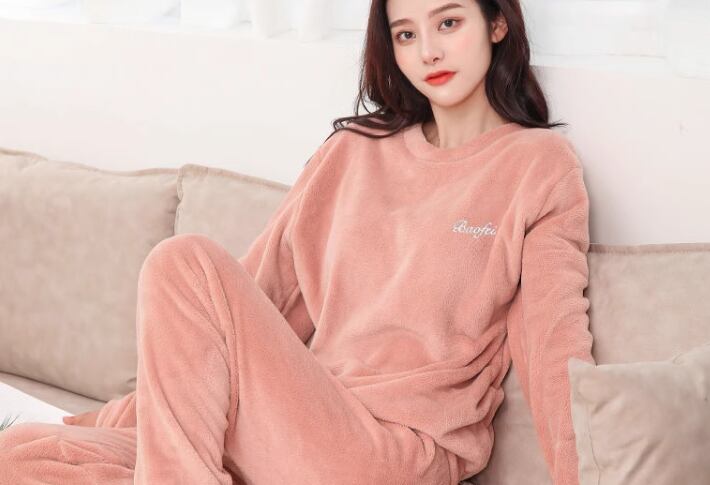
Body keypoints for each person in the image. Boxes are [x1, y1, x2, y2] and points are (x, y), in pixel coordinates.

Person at [0, 1, 596, 484]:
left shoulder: (538, 167)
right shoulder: (354, 152)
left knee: (182, 261)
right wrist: (95, 423)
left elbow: (554, 351)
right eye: (406, 34)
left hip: (388, 456)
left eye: (448, 23)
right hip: (287, 432)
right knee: (24, 455)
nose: (429, 52)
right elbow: (238, 318)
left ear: (496, 24)